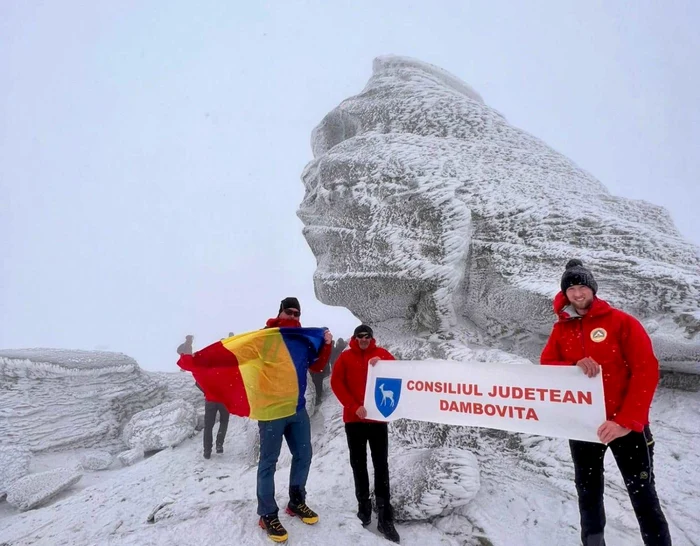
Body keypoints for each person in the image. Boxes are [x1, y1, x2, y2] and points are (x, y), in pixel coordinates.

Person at [541, 259, 671, 546]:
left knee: (643, 494)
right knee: (587, 492)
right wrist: (574, 363)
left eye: (582, 286)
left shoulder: (621, 322)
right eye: (571, 288)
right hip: (585, 425)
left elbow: (645, 370)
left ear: (593, 289)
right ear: (565, 293)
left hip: (626, 426)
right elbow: (547, 365)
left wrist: (625, 421)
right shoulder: (562, 329)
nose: (577, 294)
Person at [257, 297, 333, 543]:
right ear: (280, 312)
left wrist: (328, 345)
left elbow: (318, 366)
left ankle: (296, 502)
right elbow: (247, 365)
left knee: (304, 455)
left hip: (296, 409)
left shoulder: (303, 339)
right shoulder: (265, 337)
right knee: (269, 462)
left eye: (297, 313)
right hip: (271, 411)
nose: (293, 316)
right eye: (289, 312)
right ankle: (267, 513)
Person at [330, 325, 400, 544]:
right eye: (359, 336)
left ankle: (384, 514)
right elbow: (336, 382)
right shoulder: (345, 357)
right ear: (354, 338)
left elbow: (400, 373)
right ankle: (364, 508)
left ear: (371, 338)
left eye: (366, 336)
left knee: (381, 465)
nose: (363, 339)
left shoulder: (382, 354)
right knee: (358, 464)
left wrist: (383, 365)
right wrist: (352, 406)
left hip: (378, 421)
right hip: (355, 421)